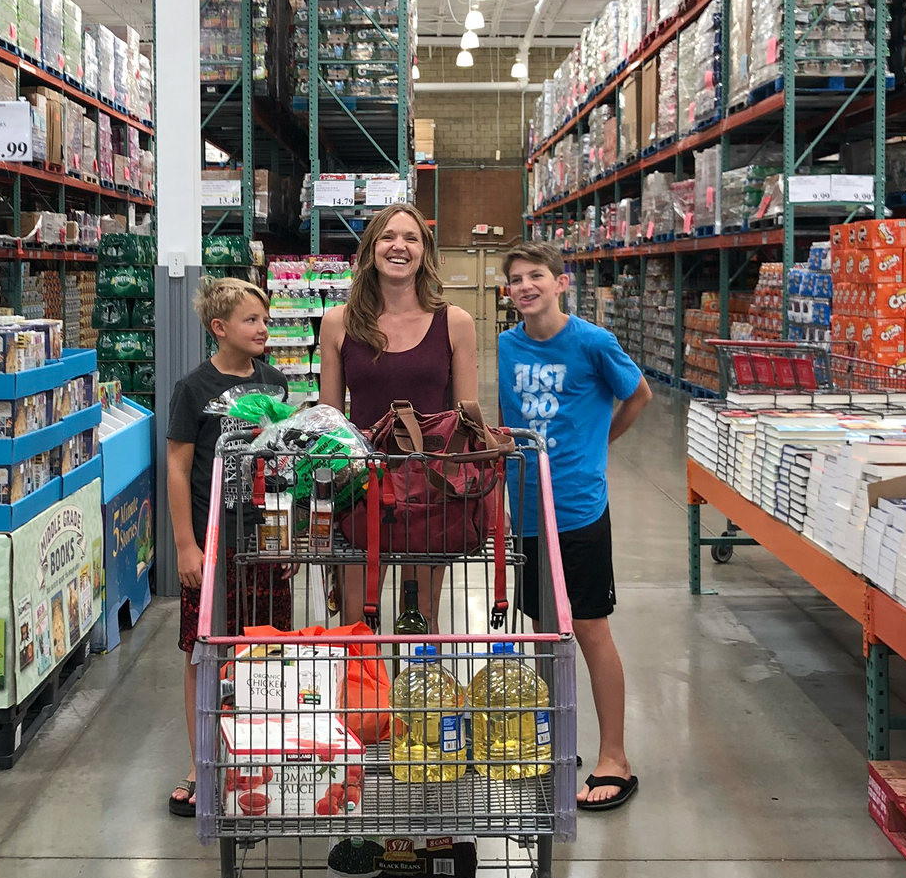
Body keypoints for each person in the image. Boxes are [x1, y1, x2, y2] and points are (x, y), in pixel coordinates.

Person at [498, 241, 652, 811]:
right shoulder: (506, 347)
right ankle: (555, 739)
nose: (525, 286)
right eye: (515, 279)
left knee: (588, 628)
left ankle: (615, 755)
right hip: (526, 511)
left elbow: (639, 395)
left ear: (561, 282)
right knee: (541, 631)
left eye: (535, 275)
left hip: (579, 509)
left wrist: (599, 444)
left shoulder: (592, 342)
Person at [317, 203, 479, 625]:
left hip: (431, 491)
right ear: (371, 249)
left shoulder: (455, 322)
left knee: (422, 619)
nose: (399, 246)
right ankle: (363, 693)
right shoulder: (338, 323)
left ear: (425, 252)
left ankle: (417, 690)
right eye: (388, 236)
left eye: (411, 238)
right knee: (357, 620)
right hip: (360, 489)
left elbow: (467, 420)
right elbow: (330, 420)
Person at [164, 277, 290, 817]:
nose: (263, 328)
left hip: (266, 541)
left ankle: (264, 760)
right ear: (219, 328)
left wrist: (289, 539)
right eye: (251, 320)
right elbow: (177, 467)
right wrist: (185, 546)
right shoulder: (193, 388)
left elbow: (287, 463)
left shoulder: (276, 383)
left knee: (269, 649)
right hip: (213, 542)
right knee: (204, 652)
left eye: (265, 319)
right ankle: (201, 764)